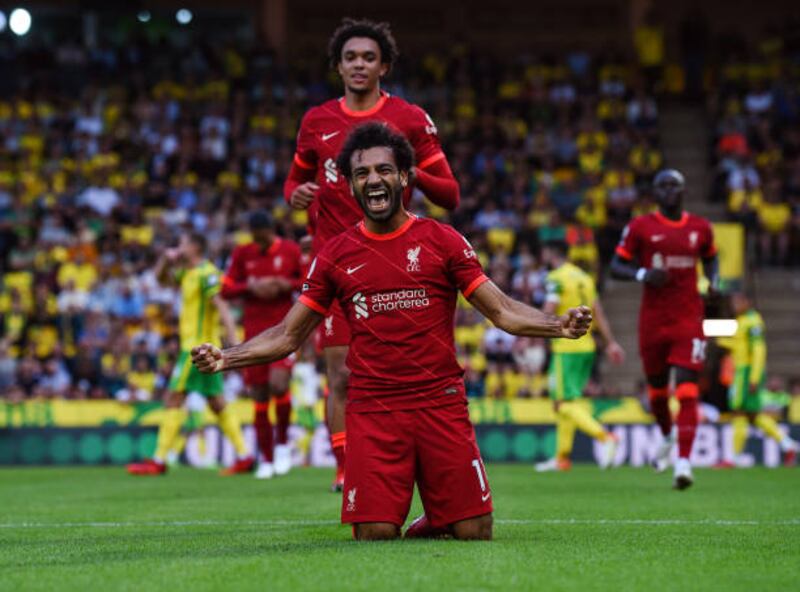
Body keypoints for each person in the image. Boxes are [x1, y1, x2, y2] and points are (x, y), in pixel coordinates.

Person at [193, 123, 592, 540]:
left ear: (404, 177)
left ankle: (440, 516)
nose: (374, 180)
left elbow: (503, 311)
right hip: (374, 408)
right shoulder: (335, 254)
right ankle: (427, 513)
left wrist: (558, 325)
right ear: (348, 186)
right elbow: (288, 334)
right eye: (362, 173)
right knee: (374, 534)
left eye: (384, 170)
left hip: (440, 401)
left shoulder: (443, 240)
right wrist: (227, 357)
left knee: (475, 531)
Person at [283, 18, 460, 492]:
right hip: (336, 264)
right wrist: (296, 195)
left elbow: (450, 196)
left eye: (368, 57)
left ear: (384, 65)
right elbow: (294, 181)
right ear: (338, 67)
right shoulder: (317, 122)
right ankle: (347, 469)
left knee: (400, 371)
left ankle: (418, 460)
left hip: (398, 264)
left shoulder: (409, 119)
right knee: (340, 374)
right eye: (350, 58)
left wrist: (412, 173)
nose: (359, 65)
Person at [610, 169, 718, 489]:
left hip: (689, 321)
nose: (670, 191)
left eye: (675, 186)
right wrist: (643, 274)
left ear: (683, 192)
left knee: (686, 390)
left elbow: (711, 258)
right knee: (657, 394)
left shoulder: (701, 227)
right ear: (655, 193)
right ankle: (668, 435)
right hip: (654, 323)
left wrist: (714, 280)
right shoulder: (640, 227)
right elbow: (617, 266)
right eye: (663, 186)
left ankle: (684, 464)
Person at [127, 232, 253, 476]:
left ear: (194, 247)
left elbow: (222, 307)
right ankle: (244, 456)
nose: (179, 246)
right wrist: (166, 258)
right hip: (201, 348)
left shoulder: (207, 274)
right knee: (216, 403)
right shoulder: (188, 272)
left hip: (196, 349)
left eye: (183, 243)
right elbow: (160, 279)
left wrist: (236, 345)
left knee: (173, 398)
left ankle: (159, 459)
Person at [221, 210, 303, 479]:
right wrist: (251, 287)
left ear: (271, 231)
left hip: (285, 330)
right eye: (256, 239)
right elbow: (226, 288)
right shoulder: (243, 253)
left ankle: (282, 447)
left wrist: (283, 283)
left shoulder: (290, 250)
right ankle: (266, 459)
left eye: (263, 238)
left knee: (279, 384)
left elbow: (308, 282)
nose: (260, 243)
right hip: (254, 331)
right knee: (258, 394)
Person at [534, 239, 625, 472]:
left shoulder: (556, 278)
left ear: (551, 252)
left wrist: (531, 332)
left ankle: (605, 437)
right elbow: (599, 313)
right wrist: (611, 343)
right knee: (569, 401)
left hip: (566, 348)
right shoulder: (585, 278)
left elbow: (550, 308)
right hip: (586, 347)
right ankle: (562, 458)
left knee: (561, 404)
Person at [717, 292, 798, 466]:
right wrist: (722, 340)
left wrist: (753, 378)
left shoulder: (753, 322)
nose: (735, 305)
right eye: (733, 302)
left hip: (747, 373)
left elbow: (759, 351)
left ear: (748, 302)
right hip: (740, 371)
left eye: (738, 301)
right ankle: (788, 444)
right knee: (751, 415)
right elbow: (740, 345)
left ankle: (733, 458)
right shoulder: (742, 321)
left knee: (739, 412)